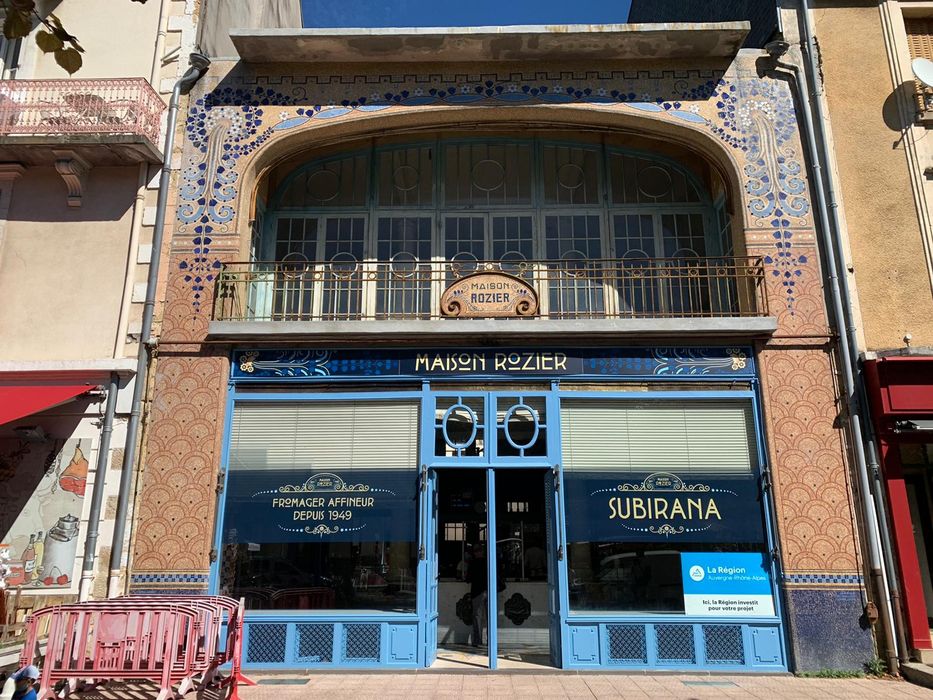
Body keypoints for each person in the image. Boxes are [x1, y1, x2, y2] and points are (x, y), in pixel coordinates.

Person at [467, 543, 487, 648]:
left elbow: (468, 579)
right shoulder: (489, 561)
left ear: (474, 553)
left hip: (477, 592)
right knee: (490, 617)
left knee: (477, 617)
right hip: (489, 591)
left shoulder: (473, 563)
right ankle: (491, 640)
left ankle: (477, 641)